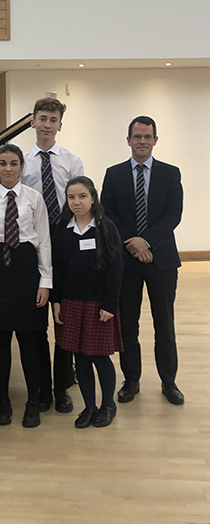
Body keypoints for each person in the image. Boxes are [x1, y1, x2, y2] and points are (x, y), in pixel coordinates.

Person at [101, 116, 184, 405]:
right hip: (126, 261)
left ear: (155, 140)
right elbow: (108, 214)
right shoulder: (114, 174)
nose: (142, 142)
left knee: (165, 323)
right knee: (128, 326)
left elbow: (173, 214)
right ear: (128, 140)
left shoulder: (170, 173)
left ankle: (169, 381)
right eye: (137, 136)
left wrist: (146, 241)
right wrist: (134, 245)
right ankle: (131, 380)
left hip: (161, 260)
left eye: (147, 137)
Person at [0, 144, 52, 428]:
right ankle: (4, 401)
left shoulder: (34, 198)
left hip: (26, 270)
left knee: (29, 340)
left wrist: (45, 282)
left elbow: (43, 241)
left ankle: (32, 402)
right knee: (2, 341)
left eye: (14, 163)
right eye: (3, 163)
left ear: (21, 167)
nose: (8, 168)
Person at [20, 97, 84, 414]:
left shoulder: (72, 162)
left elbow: (80, 204)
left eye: (53, 119)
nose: (47, 124)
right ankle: (42, 388)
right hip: (32, 246)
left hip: (65, 242)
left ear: (60, 124)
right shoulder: (22, 163)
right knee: (35, 323)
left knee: (63, 322)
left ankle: (62, 388)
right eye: (42, 118)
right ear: (32, 121)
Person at [52, 177, 123, 428]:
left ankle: (108, 405)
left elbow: (115, 271)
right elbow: (57, 269)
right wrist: (56, 301)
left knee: (100, 357)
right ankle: (89, 407)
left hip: (98, 305)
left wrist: (109, 304)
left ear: (93, 198)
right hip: (71, 302)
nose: (77, 202)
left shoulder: (106, 228)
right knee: (80, 358)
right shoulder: (62, 229)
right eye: (71, 197)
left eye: (82, 196)